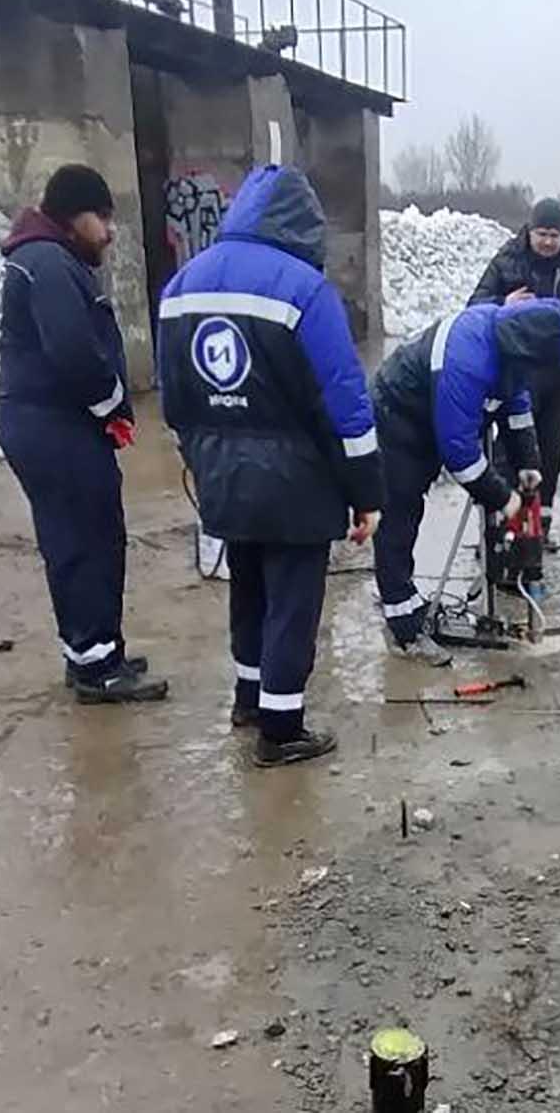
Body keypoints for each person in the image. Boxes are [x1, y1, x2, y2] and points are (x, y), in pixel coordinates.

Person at [158, 164, 384, 767]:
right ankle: (281, 730)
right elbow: (345, 402)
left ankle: (248, 699)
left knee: (248, 584)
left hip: (221, 473)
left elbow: (173, 396)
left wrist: (202, 457)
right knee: (292, 600)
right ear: (304, 224)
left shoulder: (182, 285)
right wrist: (367, 492)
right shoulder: (304, 290)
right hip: (297, 481)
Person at [0, 164, 169, 703]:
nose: (110, 231)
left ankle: (93, 653)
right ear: (73, 216)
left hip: (49, 421)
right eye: (103, 217)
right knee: (85, 540)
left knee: (83, 535)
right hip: (54, 424)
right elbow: (72, 350)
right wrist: (111, 406)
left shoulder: (46, 258)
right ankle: (98, 669)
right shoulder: (48, 263)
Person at [372, 298, 560, 657]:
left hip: (430, 418)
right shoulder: (466, 361)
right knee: (400, 511)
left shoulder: (510, 349)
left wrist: (528, 463)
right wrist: (505, 499)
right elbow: (460, 456)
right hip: (397, 417)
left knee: (410, 507)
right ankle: (403, 625)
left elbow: (515, 405)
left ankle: (406, 601)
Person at [469, 198, 560, 546]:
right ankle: (501, 528)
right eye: (542, 234)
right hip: (517, 377)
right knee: (512, 452)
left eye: (554, 235)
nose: (548, 242)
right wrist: (502, 304)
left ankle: (537, 530)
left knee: (550, 452)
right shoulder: (508, 261)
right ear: (530, 232)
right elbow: (474, 307)